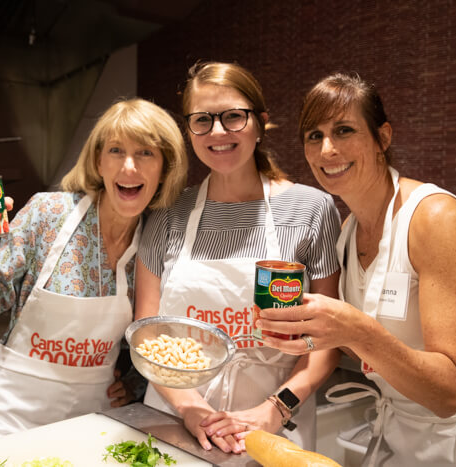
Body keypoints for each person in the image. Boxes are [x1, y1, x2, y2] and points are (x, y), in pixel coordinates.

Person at [255, 73, 456, 466]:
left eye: (344, 130)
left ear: (383, 137)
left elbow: (449, 393)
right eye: (314, 135)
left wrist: (354, 329)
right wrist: (304, 334)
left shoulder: (438, 219)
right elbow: (354, 340)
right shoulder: (348, 232)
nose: (327, 150)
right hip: (403, 441)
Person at [0, 98, 188, 440]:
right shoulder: (48, 214)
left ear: (164, 168)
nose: (129, 167)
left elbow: (151, 342)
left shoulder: (156, 240)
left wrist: (132, 384)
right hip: (14, 421)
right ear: (98, 161)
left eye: (146, 152)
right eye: (116, 150)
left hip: (97, 425)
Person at [135, 61, 342, 455]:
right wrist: (192, 408)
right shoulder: (167, 211)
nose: (217, 132)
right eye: (202, 120)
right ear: (189, 129)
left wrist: (274, 411)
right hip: (175, 420)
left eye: (233, 117)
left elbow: (328, 339)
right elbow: (147, 331)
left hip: (274, 431)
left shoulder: (311, 208)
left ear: (261, 122)